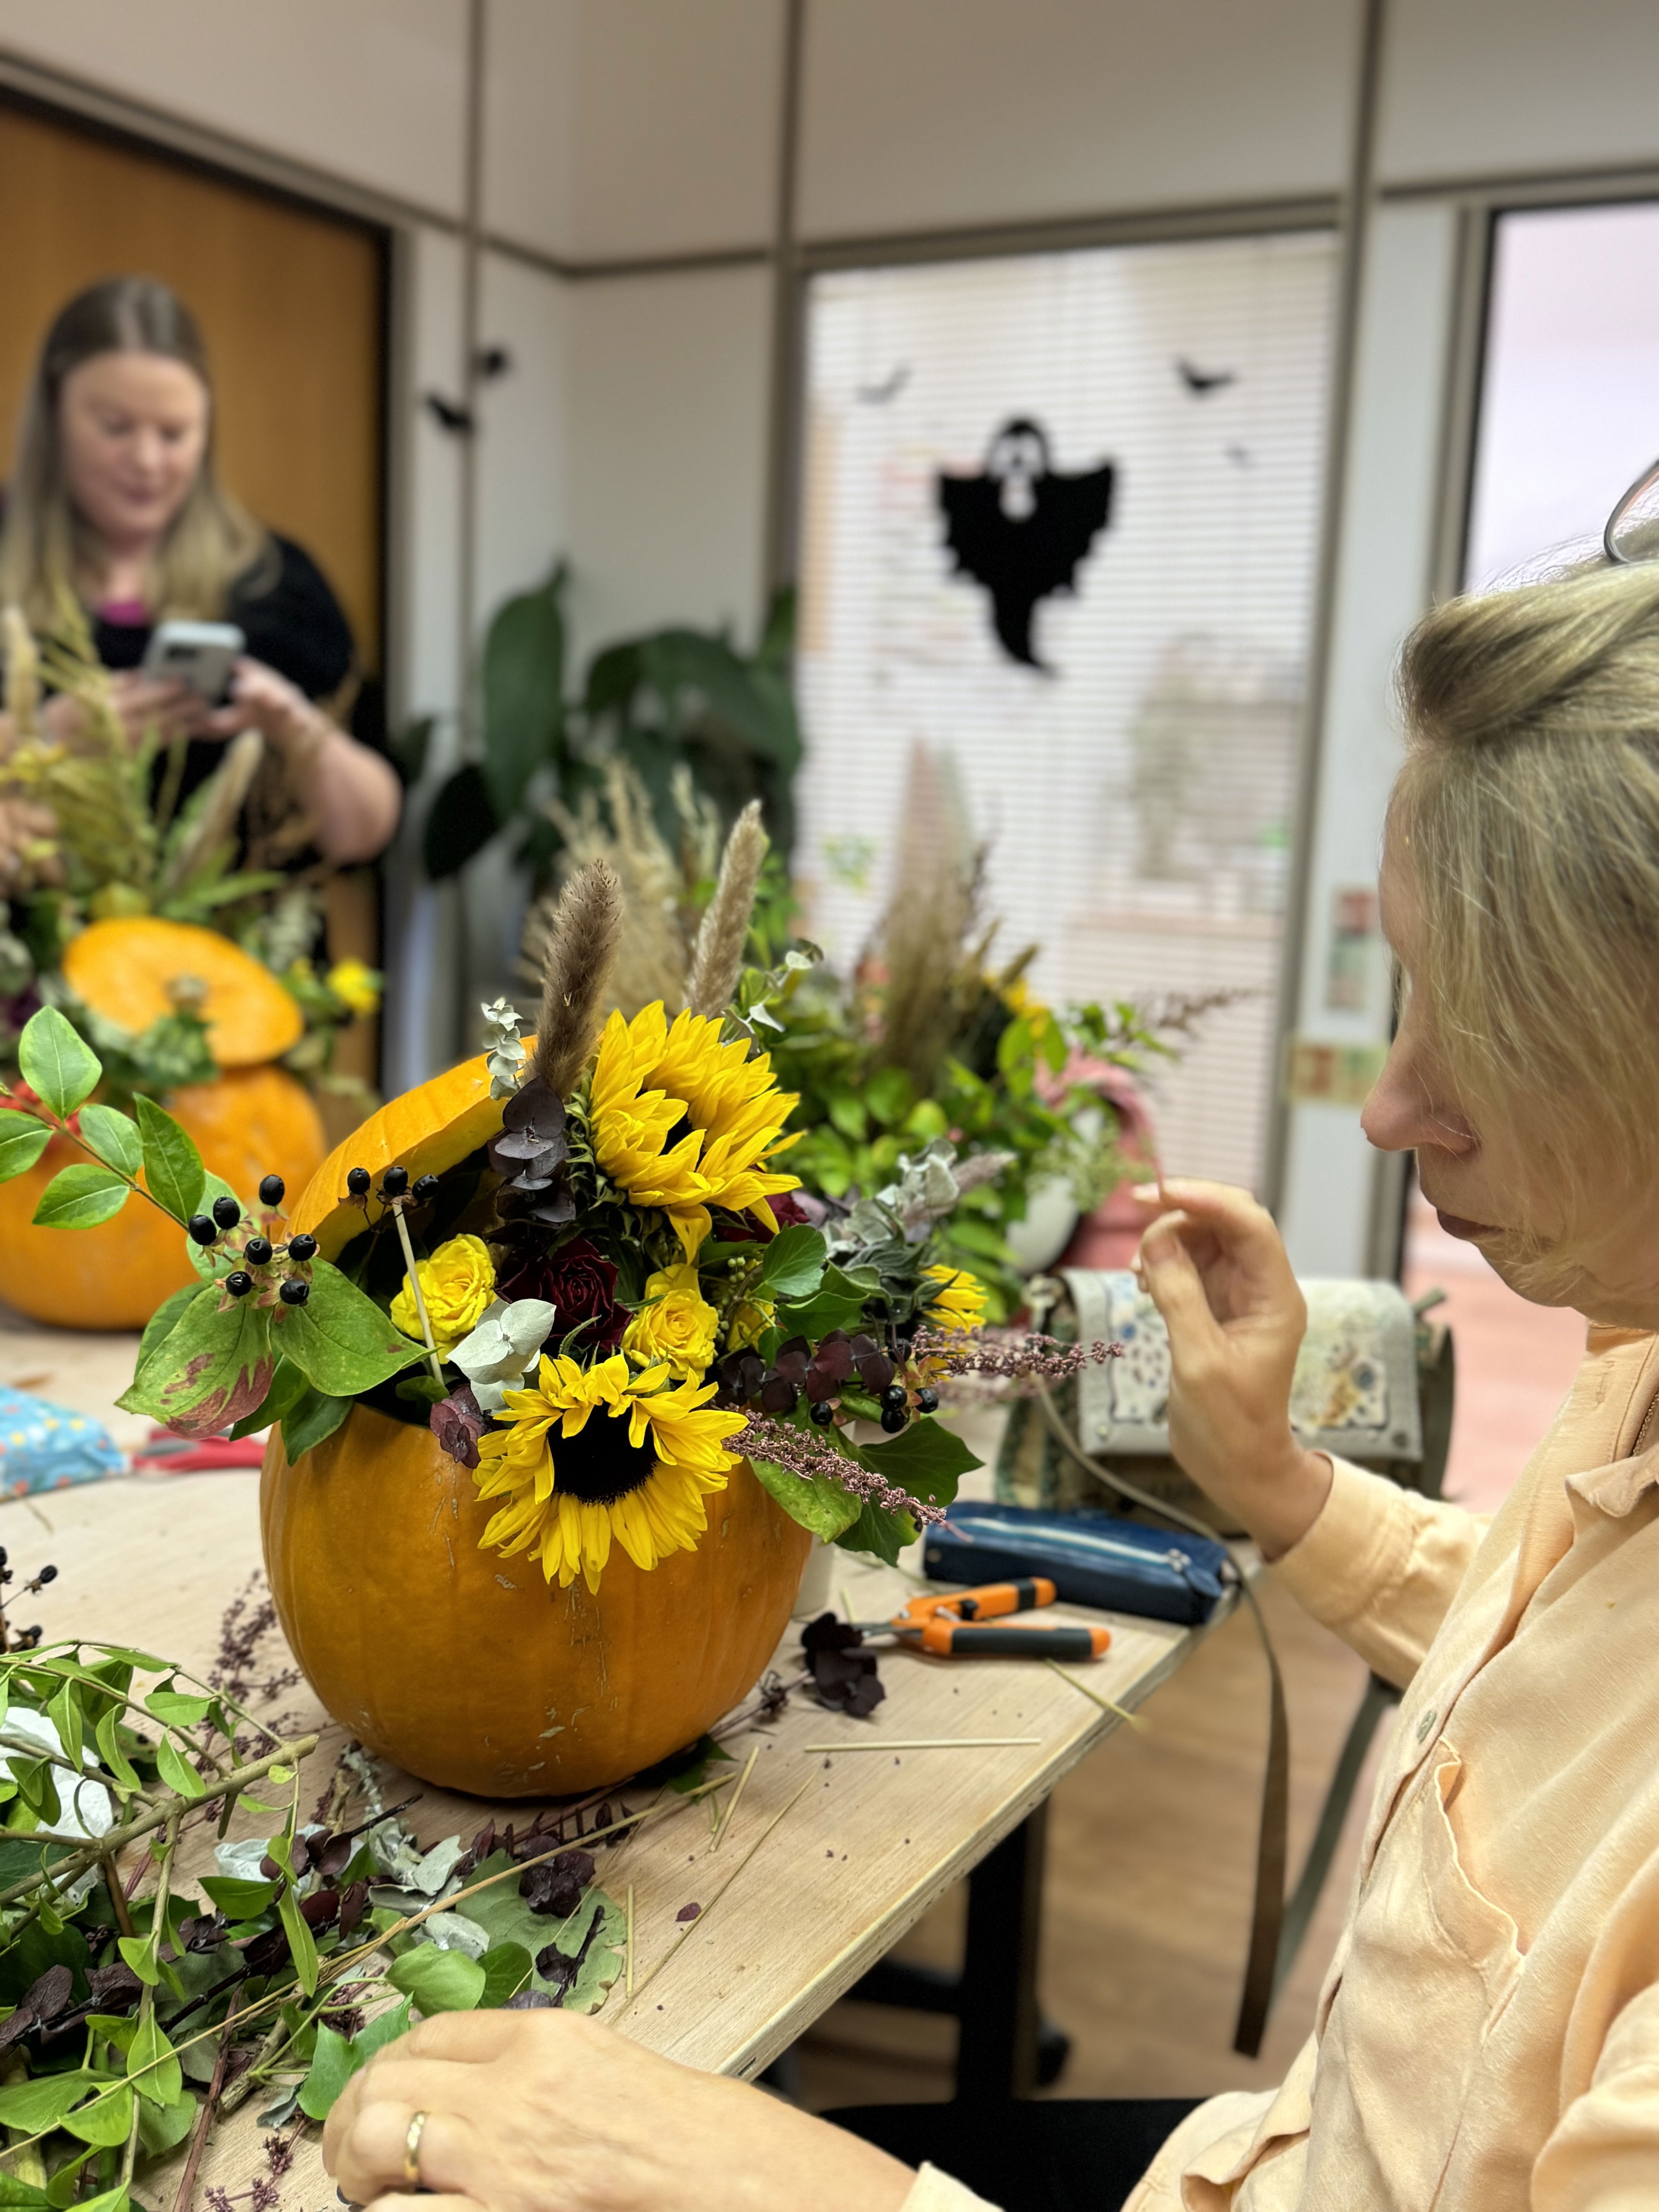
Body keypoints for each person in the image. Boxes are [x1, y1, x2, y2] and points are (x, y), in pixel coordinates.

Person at [324, 551, 1659, 2209]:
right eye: (1408, 994)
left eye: (1485, 1035)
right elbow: (1570, 1665)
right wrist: (1286, 1494)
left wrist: (779, 2184)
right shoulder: (1641, 1360)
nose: (1388, 1110)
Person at [0, 276, 399, 865]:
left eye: (174, 433)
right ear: (55, 413)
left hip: (245, 952)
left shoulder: (278, 584)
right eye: (114, 427)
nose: (146, 460)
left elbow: (366, 835)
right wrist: (44, 737)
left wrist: (298, 730)